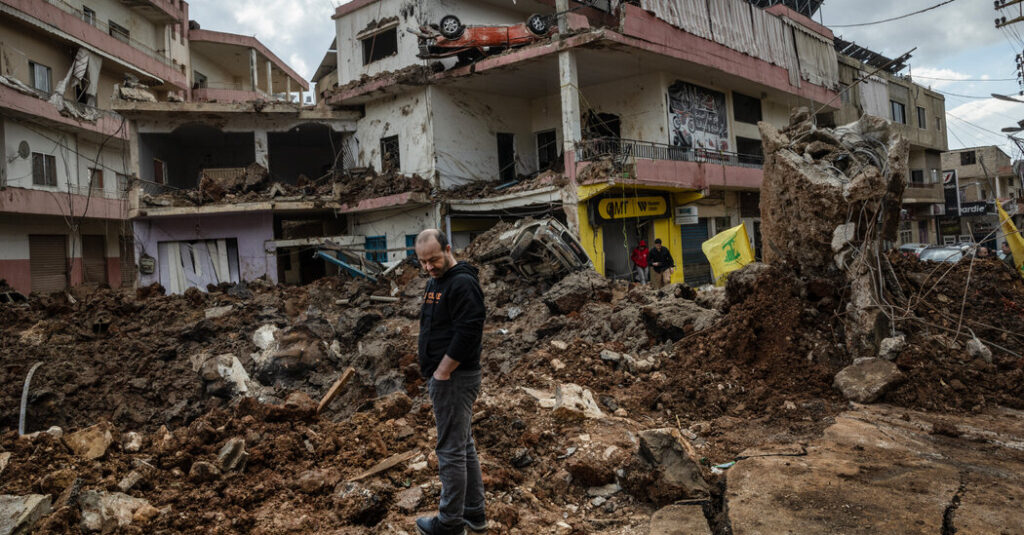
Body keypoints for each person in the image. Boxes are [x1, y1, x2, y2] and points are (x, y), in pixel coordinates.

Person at [414, 229, 487, 535]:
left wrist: (443, 371)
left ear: (447, 249)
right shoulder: (437, 281)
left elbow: (469, 331)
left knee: (450, 451)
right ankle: (473, 513)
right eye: (422, 262)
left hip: (454, 378)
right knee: (463, 446)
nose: (429, 267)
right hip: (447, 377)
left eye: (433, 259)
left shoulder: (462, 282)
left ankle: (450, 523)